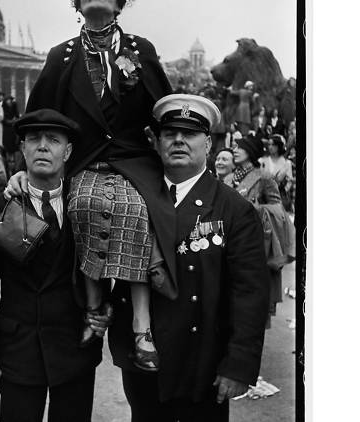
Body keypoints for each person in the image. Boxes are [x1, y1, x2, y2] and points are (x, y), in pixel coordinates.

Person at [10, 0, 175, 371]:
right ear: (77, 4)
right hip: (84, 162)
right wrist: (24, 169)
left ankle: (141, 326)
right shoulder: (61, 56)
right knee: (82, 204)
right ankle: (94, 308)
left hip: (135, 162)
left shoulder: (140, 50)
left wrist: (185, 164)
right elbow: (37, 119)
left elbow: (165, 111)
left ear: (120, 3)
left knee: (139, 209)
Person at [108, 94, 270, 422]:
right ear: (157, 142)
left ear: (208, 144)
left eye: (190, 134)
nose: (179, 140)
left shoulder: (233, 209)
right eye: (170, 133)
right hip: (144, 363)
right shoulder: (132, 197)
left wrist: (239, 364)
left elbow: (250, 294)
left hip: (204, 365)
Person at [0, 109, 112, 422]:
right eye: (34, 139)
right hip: (17, 352)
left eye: (53, 140)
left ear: (68, 150)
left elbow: (106, 265)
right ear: (23, 148)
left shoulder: (88, 205)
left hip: (75, 350)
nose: (43, 146)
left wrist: (104, 309)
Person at [231, 136, 295, 325]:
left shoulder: (263, 177)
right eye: (234, 147)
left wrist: (256, 209)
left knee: (251, 308)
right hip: (230, 244)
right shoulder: (229, 176)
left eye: (239, 147)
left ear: (250, 152)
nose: (234, 150)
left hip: (254, 245)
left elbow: (279, 211)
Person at [260, 134, 293, 212]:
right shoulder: (263, 161)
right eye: (269, 144)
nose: (270, 147)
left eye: (273, 145)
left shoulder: (286, 163)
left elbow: (289, 181)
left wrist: (283, 190)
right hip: (265, 198)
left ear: (279, 146)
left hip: (280, 197)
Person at [1, 96, 22, 173]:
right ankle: (8, 168)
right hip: (6, 132)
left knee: (13, 152)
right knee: (7, 151)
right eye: (8, 100)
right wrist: (13, 121)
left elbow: (17, 117)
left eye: (10, 100)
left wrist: (13, 121)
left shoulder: (14, 107)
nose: (9, 102)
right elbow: (4, 120)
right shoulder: (3, 109)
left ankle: (14, 168)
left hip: (13, 132)